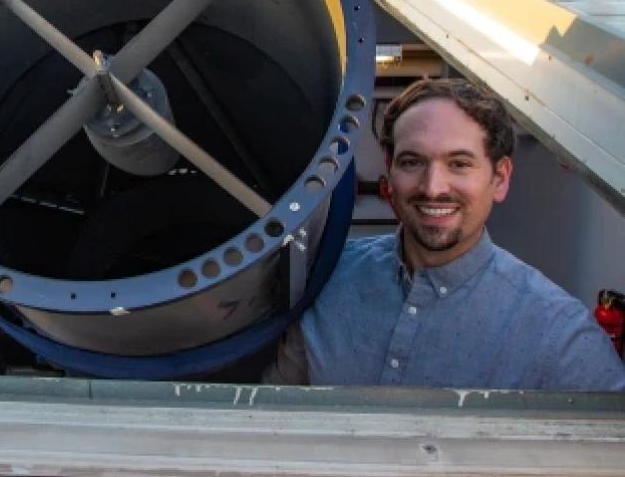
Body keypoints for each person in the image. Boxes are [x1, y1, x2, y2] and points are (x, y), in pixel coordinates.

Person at [266, 78, 625, 390]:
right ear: (389, 173)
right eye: (412, 162)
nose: (433, 187)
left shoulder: (557, 332)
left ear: (499, 179)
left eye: (459, 164)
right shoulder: (326, 279)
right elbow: (275, 414)